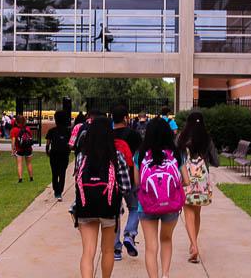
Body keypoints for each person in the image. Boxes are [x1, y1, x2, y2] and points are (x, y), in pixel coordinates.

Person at [73, 117, 131, 278]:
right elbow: (126, 187)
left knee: (87, 252)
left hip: (86, 208)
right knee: (107, 250)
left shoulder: (81, 157)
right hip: (109, 208)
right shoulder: (116, 156)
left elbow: (78, 184)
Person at [134, 117, 188, 278]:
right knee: (166, 239)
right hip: (171, 205)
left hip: (147, 205)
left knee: (151, 247)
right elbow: (187, 180)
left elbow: (137, 182)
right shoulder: (176, 154)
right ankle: (165, 274)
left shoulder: (140, 154)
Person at [177, 111, 219, 264]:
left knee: (188, 213)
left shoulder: (181, 137)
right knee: (197, 212)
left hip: (186, 179)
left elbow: (175, 156)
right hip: (202, 181)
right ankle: (193, 243)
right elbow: (216, 161)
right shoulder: (207, 138)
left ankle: (194, 245)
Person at [111, 105, 142, 261]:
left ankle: (116, 249)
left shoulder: (107, 134)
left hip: (112, 180)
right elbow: (139, 158)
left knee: (115, 213)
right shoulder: (134, 135)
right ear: (125, 118)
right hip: (130, 178)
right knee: (135, 207)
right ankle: (129, 234)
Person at [46, 110, 71, 201]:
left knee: (54, 173)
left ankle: (56, 191)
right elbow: (70, 144)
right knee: (62, 173)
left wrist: (47, 151)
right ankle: (60, 191)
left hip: (54, 154)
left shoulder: (51, 131)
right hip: (64, 154)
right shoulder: (68, 131)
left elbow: (48, 143)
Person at [11, 115, 34, 183]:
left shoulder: (14, 130)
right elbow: (30, 138)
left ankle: (20, 179)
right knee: (29, 163)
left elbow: (13, 141)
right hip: (28, 148)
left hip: (19, 149)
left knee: (19, 164)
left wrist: (13, 150)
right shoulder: (27, 128)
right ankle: (31, 178)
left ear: (16, 122)